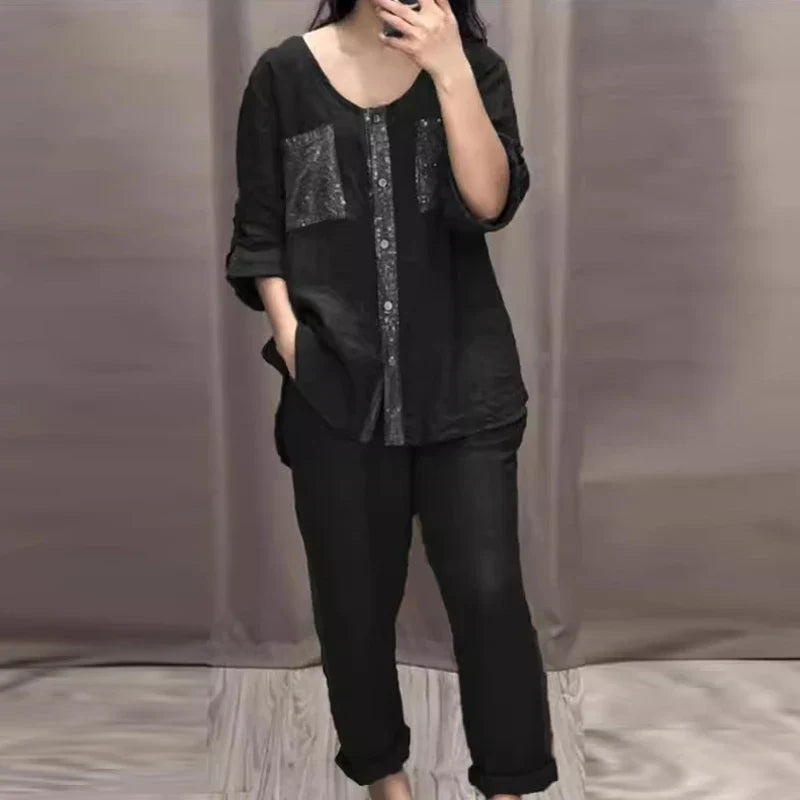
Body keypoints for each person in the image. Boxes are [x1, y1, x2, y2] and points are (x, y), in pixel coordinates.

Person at [224, 0, 559, 798]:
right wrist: (294, 340)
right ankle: (386, 781)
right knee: (353, 601)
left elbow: (488, 203)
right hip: (335, 390)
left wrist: (448, 70)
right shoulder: (284, 74)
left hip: (466, 386)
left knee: (489, 596)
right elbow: (262, 229)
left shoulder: (474, 70)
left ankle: (509, 785)